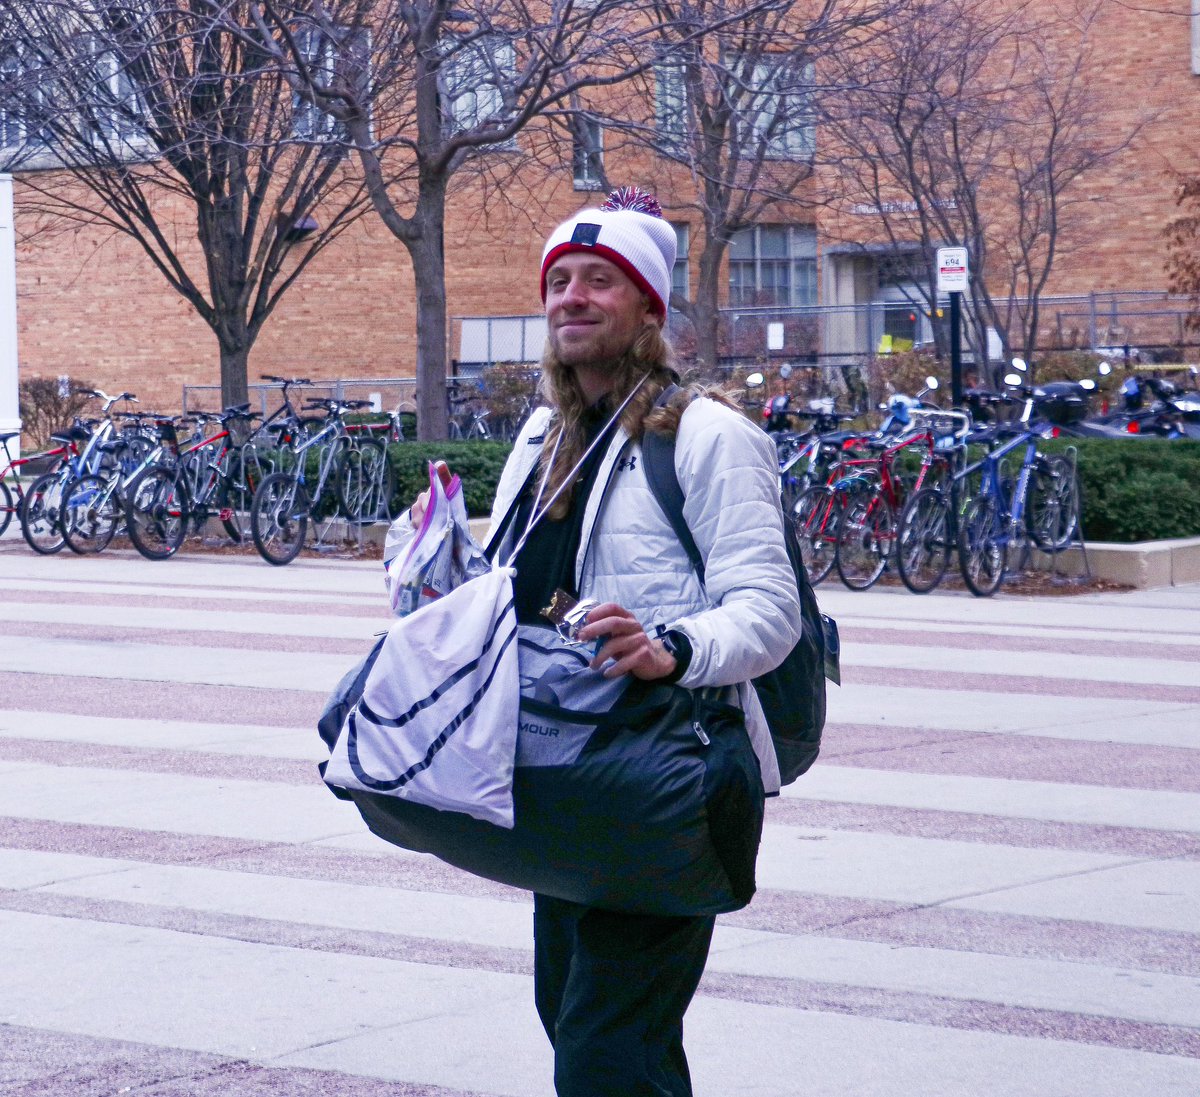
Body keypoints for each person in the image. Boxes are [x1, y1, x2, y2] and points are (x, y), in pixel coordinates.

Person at [401, 186, 800, 1096]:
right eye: (560, 282)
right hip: (565, 766)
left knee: (602, 1049)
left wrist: (669, 646)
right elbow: (512, 588)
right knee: (583, 1024)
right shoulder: (546, 434)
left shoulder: (709, 435)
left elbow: (767, 611)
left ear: (649, 309)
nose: (571, 298)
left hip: (667, 774)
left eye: (599, 281)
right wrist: (435, 562)